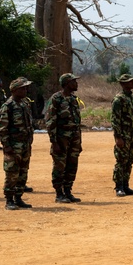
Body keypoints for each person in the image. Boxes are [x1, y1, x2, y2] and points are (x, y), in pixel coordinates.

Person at [45, 73, 84, 203]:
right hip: (61, 139)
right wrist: (54, 141)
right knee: (59, 166)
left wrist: (79, 142)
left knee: (72, 165)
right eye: (74, 81)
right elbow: (50, 121)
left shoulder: (73, 99)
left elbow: (77, 122)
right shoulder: (56, 99)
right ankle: (59, 193)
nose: (76, 84)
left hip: (74, 139)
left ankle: (68, 191)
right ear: (67, 83)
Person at [0, 77, 35, 210]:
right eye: (23, 88)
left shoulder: (24, 104)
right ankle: (9, 200)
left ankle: (18, 198)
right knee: (12, 173)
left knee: (23, 172)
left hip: (25, 145)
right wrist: (6, 146)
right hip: (13, 146)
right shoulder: (8, 106)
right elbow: (2, 128)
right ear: (15, 90)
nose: (25, 90)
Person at [111, 74, 133, 196]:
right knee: (121, 160)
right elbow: (115, 119)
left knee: (129, 160)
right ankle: (119, 186)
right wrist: (118, 137)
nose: (132, 83)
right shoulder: (119, 99)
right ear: (123, 84)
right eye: (130, 81)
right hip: (123, 135)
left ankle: (126, 185)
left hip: (132, 135)